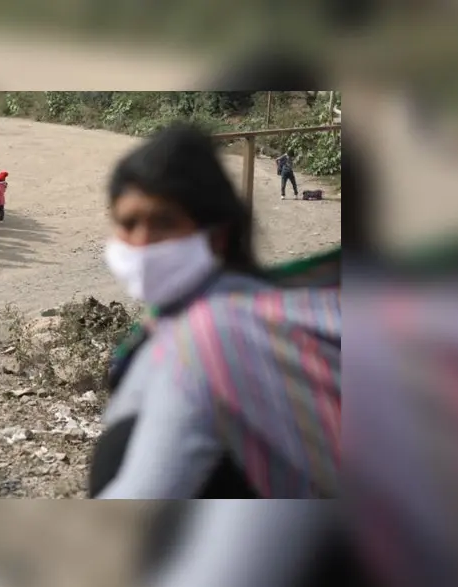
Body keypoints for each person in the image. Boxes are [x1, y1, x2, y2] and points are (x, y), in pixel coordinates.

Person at [88, 122, 340, 501]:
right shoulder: (219, 312)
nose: (142, 242)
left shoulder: (214, 334)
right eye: (129, 223)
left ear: (216, 235)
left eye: (164, 222)